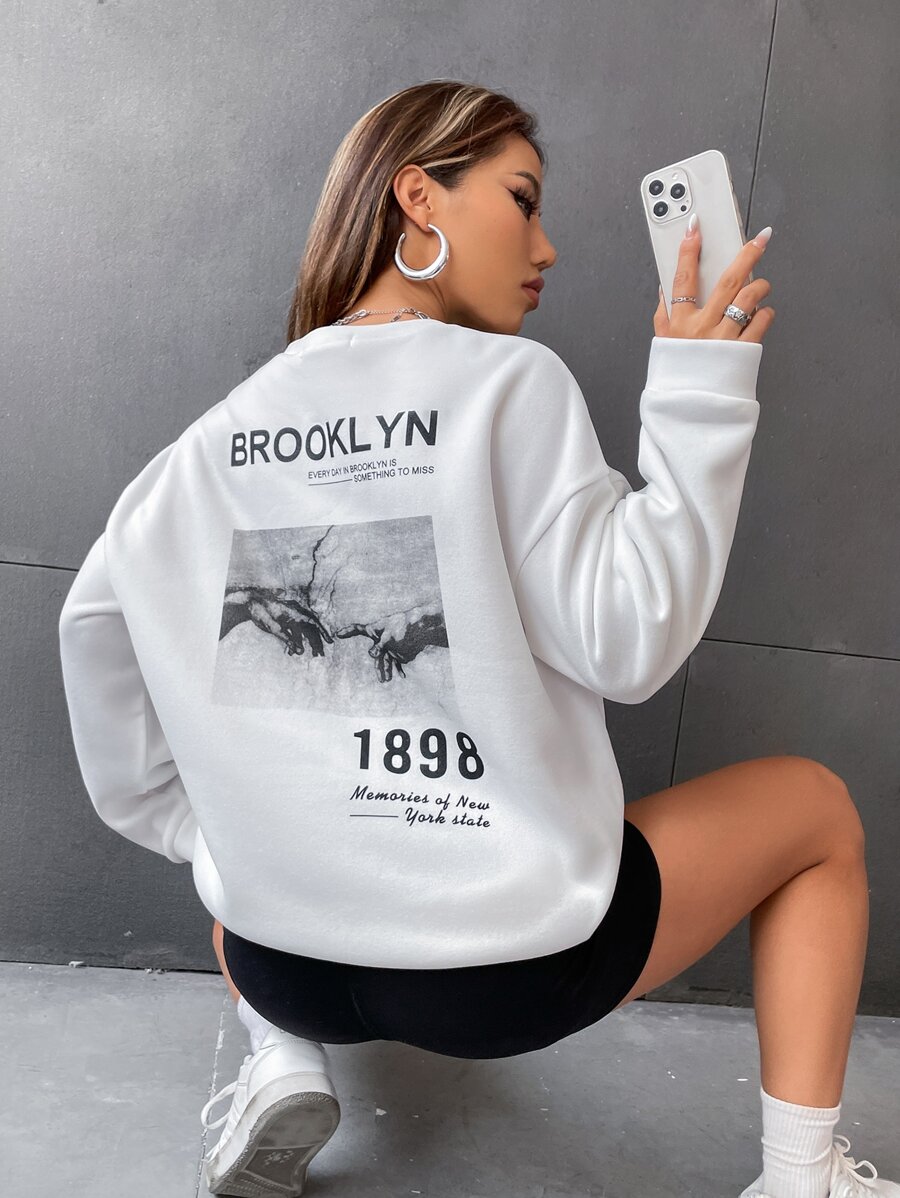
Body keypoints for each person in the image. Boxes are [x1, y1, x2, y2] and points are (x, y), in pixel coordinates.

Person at [56, 79, 890, 1198]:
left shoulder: (205, 447)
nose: (546, 247)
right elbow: (631, 641)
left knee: (237, 854)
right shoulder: (509, 387)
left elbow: (93, 628)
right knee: (818, 812)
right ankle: (802, 1181)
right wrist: (701, 384)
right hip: (506, 976)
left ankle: (280, 1061)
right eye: (523, 199)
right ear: (418, 198)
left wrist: (201, 827)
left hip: (279, 960)